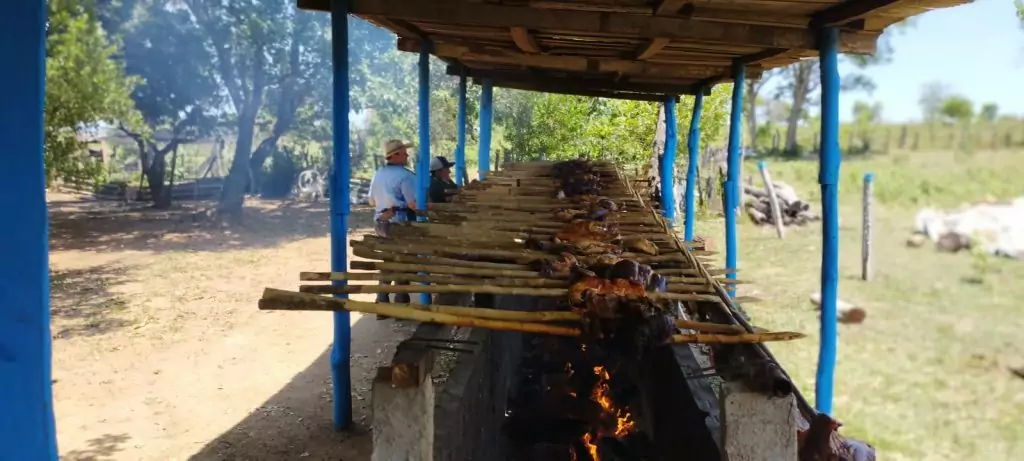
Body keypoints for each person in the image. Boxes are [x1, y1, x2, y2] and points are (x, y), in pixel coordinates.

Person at [368, 139, 418, 308]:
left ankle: (382, 300)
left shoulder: (378, 173)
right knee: (403, 260)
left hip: (380, 222)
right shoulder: (406, 176)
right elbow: (413, 204)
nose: (407, 155)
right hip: (399, 223)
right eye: (404, 153)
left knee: (388, 259)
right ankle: (401, 300)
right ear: (395, 155)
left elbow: (372, 201)